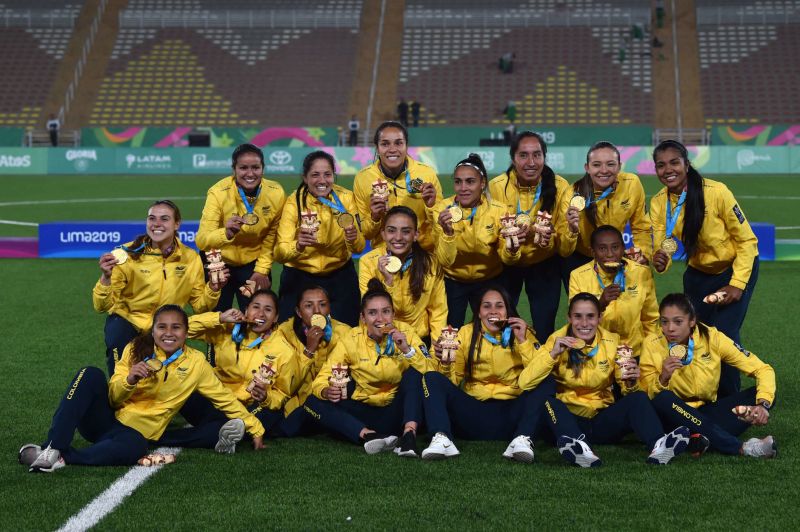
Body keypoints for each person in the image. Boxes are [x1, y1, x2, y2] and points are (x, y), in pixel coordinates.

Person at [20, 305, 264, 473]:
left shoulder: (196, 363)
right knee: (90, 374)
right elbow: (114, 398)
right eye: (162, 327)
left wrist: (255, 428)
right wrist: (130, 380)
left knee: (136, 447)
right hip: (107, 421)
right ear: (153, 329)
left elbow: (223, 398)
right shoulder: (136, 348)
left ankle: (64, 458)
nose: (168, 333)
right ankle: (53, 446)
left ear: (187, 332)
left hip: (136, 435)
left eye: (176, 328)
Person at [518, 293, 691, 467]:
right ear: (568, 317)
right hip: (567, 420)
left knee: (637, 398)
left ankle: (659, 445)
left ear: (600, 317)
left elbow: (626, 389)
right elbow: (525, 383)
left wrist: (630, 382)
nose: (584, 324)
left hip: (601, 419)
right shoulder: (556, 340)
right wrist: (553, 354)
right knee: (548, 402)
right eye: (578, 316)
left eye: (590, 316)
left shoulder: (613, 342)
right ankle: (580, 448)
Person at [650, 140, 759, 397]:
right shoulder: (658, 202)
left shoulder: (716, 191)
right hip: (698, 275)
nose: (668, 170)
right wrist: (662, 257)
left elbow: (747, 241)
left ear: (686, 164)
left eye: (674, 162)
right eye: (661, 165)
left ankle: (729, 396)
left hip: (734, 269)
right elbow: (664, 239)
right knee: (696, 332)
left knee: (723, 333)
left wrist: (737, 283)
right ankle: (701, 387)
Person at [420, 286, 554, 463]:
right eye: (487, 306)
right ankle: (442, 437)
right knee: (431, 377)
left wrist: (523, 341)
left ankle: (522, 439)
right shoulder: (465, 334)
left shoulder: (523, 332)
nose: (493, 311)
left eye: (499, 306)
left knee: (546, 378)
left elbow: (535, 375)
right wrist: (445, 364)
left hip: (512, 415)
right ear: (478, 312)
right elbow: (453, 381)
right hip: (474, 415)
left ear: (508, 310)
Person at [155, 290, 304, 446]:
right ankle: (221, 429)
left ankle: (160, 438)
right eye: (256, 307)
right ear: (246, 310)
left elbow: (283, 394)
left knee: (218, 431)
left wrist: (266, 397)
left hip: (252, 408)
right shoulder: (227, 329)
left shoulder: (284, 350)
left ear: (276, 318)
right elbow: (184, 330)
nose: (260, 314)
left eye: (268, 310)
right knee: (177, 382)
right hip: (217, 402)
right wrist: (219, 318)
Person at [93, 200, 224, 376]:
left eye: (164, 219)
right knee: (123, 369)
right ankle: (118, 400)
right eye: (152, 218)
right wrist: (106, 278)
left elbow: (200, 306)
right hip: (128, 322)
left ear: (177, 224)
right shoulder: (128, 254)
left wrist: (213, 289)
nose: (157, 224)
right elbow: (101, 306)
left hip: (164, 325)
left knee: (160, 379)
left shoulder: (190, 258)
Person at [304, 281, 433, 456]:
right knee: (312, 402)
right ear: (363, 318)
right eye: (372, 313)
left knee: (413, 374)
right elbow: (321, 378)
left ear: (393, 314)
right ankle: (369, 435)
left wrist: (407, 350)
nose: (380, 319)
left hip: (400, 411)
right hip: (364, 411)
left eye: (386, 312)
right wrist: (326, 391)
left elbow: (431, 373)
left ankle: (408, 437)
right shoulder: (351, 339)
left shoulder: (406, 333)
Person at [640, 293, 776, 458]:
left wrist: (763, 405)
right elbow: (646, 395)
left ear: (692, 321)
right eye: (664, 321)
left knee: (763, 395)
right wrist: (663, 378)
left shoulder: (712, 337)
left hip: (706, 412)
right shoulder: (652, 343)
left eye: (678, 321)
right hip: (672, 415)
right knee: (664, 399)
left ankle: (695, 439)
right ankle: (742, 448)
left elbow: (762, 369)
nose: (670, 328)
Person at [489, 131, 575, 340]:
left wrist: (551, 239)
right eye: (523, 155)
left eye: (537, 155)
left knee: (544, 327)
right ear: (513, 158)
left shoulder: (561, 186)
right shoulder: (497, 186)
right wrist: (507, 239)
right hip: (508, 264)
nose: (531, 162)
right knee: (503, 324)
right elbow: (492, 231)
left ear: (545, 158)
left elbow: (565, 246)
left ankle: (544, 369)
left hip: (545, 263)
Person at [433, 153, 525, 328]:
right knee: (450, 334)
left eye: (470, 181)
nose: (463, 188)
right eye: (458, 182)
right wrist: (447, 233)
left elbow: (508, 259)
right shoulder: (441, 211)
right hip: (453, 282)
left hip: (490, 279)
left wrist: (512, 249)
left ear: (482, 184)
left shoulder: (499, 211)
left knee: (495, 329)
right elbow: (445, 260)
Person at [274, 151, 364, 326]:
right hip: (299, 275)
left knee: (347, 332)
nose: (322, 180)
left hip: (340, 274)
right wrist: (298, 246)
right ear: (305, 178)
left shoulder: (346, 199)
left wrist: (353, 238)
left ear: (333, 176)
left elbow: (359, 248)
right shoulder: (293, 203)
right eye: (315, 175)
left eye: (327, 174)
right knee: (289, 333)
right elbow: (279, 254)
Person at [196, 143, 285, 311]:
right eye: (243, 168)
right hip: (218, 261)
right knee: (217, 318)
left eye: (255, 167)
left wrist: (262, 270)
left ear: (263, 169)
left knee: (257, 316)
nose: (250, 173)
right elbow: (202, 241)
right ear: (234, 169)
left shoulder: (275, 193)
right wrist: (226, 233)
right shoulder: (217, 192)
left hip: (253, 262)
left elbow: (271, 236)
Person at [562, 141, 651, 287]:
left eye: (610, 164)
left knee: (622, 307)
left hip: (614, 255)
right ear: (587, 168)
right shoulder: (572, 195)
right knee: (586, 308)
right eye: (596, 165)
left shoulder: (632, 184)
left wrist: (642, 253)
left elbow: (641, 227)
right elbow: (564, 250)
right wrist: (572, 230)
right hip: (580, 259)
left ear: (619, 166)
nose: (604, 170)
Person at [358, 206, 447, 344]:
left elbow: (438, 310)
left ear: (416, 235)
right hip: (381, 338)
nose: (398, 237)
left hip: (418, 339)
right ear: (383, 234)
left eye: (406, 231)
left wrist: (436, 349)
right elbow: (372, 310)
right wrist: (388, 281)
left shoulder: (430, 263)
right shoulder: (368, 262)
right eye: (391, 231)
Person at [272, 285, 352, 433]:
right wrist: (309, 351)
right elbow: (286, 384)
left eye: (322, 304)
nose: (317, 311)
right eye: (309, 306)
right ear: (299, 312)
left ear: (329, 309)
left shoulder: (345, 333)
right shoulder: (282, 334)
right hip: (297, 406)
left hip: (332, 402)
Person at [353, 121, 442, 251]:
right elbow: (366, 234)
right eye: (385, 144)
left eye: (399, 143)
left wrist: (431, 206)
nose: (392, 149)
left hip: (422, 254)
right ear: (377, 148)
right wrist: (375, 217)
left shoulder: (427, 174)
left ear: (406, 146)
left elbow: (440, 225)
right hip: (384, 257)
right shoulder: (363, 179)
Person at [568, 225, 658, 354]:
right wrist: (600, 304)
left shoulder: (641, 272)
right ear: (593, 252)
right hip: (597, 351)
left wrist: (650, 351)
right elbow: (576, 321)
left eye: (615, 247)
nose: (610, 254)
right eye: (602, 249)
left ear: (623, 249)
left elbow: (650, 319)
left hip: (633, 351)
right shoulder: (578, 276)